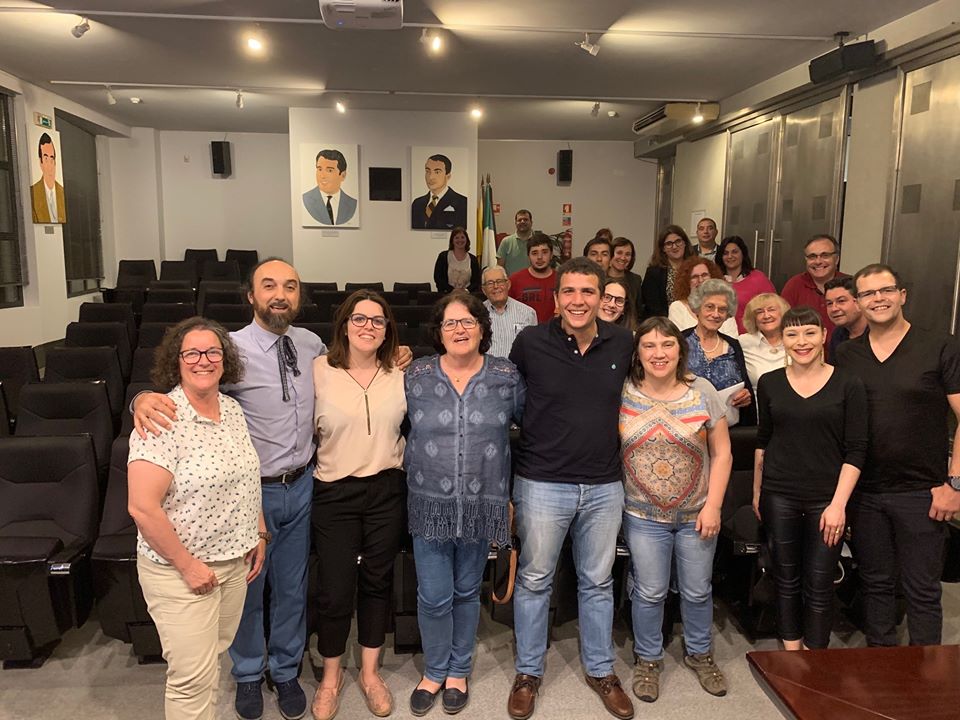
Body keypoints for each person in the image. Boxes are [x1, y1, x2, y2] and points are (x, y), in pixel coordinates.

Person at [133, 259, 412, 720]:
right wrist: (139, 399)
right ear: (251, 295)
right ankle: (247, 672)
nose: (279, 294)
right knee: (246, 587)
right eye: (269, 286)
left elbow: (360, 367)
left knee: (292, 586)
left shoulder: (312, 346)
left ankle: (284, 668)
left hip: (303, 484)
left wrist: (397, 355)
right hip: (248, 492)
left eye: (289, 286)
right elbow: (183, 389)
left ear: (299, 296)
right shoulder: (229, 349)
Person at [507, 257, 635, 720]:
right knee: (536, 579)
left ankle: (601, 670)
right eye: (569, 292)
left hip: (604, 484)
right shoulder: (530, 342)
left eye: (588, 292)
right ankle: (527, 673)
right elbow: (512, 399)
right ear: (556, 297)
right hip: (542, 481)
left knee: (598, 582)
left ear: (603, 298)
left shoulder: (623, 341)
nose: (578, 301)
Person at [128, 317, 267, 720]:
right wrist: (188, 567)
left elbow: (246, 476)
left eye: (212, 352)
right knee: (191, 680)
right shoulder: (161, 418)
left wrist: (258, 530)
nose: (203, 360)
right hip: (180, 572)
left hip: (231, 563)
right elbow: (142, 507)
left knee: (212, 660)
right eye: (192, 352)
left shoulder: (232, 409)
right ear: (177, 359)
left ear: (225, 361)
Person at [405, 293, 525, 717]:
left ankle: (459, 670)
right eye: (450, 323)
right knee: (434, 595)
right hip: (429, 505)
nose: (459, 329)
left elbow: (531, 426)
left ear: (482, 328)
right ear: (438, 332)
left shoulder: (506, 376)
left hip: (481, 503)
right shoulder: (414, 374)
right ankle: (434, 670)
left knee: (465, 591)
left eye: (468, 321)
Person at [835, 263, 960, 647]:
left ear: (902, 295)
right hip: (867, 493)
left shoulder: (941, 345)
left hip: (923, 491)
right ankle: (881, 670)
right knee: (876, 585)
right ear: (858, 302)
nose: (878, 299)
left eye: (885, 290)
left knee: (922, 590)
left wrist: (954, 483)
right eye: (868, 294)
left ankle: (926, 685)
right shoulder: (846, 354)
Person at [620, 316, 732, 704]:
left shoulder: (702, 390)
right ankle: (647, 659)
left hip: (697, 514)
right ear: (638, 352)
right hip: (641, 515)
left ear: (680, 350)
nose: (658, 353)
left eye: (667, 345)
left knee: (698, 591)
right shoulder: (623, 391)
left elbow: (723, 453)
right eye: (649, 346)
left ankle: (700, 654)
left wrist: (714, 505)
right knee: (649, 592)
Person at [309, 291, 406, 720]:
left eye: (378, 321)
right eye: (360, 318)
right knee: (334, 589)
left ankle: (369, 672)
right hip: (334, 492)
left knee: (377, 581)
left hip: (387, 488)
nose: (369, 327)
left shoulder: (401, 371)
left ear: (388, 330)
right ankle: (331, 678)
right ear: (344, 324)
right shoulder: (317, 371)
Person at [753, 306, 867, 651]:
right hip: (779, 494)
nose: (801, 342)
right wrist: (758, 492)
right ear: (783, 341)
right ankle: (791, 650)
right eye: (792, 334)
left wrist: (838, 505)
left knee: (820, 582)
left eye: (809, 333)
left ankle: (817, 658)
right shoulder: (769, 382)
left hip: (826, 498)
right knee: (785, 578)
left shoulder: (849, 383)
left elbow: (857, 450)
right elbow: (763, 440)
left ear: (823, 336)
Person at [682, 279, 755, 426]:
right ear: (697, 308)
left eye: (722, 309)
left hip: (730, 430)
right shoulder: (679, 341)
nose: (715, 314)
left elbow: (746, 390)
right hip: (686, 429)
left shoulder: (733, 346)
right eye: (709, 307)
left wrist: (746, 397)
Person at [780, 234, 847, 345]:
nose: (818, 261)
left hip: (844, 352)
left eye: (825, 255)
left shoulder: (849, 284)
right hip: (804, 351)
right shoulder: (794, 285)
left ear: (837, 259)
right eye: (812, 256)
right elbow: (784, 324)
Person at [715, 236, 776, 334]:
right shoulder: (715, 281)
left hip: (751, 338)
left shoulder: (758, 278)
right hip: (720, 336)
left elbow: (774, 308)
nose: (730, 256)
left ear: (743, 253)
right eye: (725, 253)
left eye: (735, 252)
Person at [667, 256, 738, 336]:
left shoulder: (724, 304)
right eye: (694, 277)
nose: (700, 280)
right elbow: (678, 340)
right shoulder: (677, 307)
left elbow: (733, 339)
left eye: (704, 275)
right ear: (686, 281)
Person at [480, 265, 537, 359]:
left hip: (517, 371)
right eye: (490, 283)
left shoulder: (528, 313)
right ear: (484, 290)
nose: (496, 286)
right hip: (486, 371)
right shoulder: (476, 314)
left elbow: (533, 349)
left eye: (500, 281)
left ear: (508, 285)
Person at [641, 225, 695, 319]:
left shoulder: (696, 268)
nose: (674, 247)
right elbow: (653, 307)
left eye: (678, 241)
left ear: (685, 243)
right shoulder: (654, 272)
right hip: (665, 324)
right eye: (669, 243)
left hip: (694, 320)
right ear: (663, 249)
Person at [738, 293, 791, 388]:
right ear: (753, 318)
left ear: (783, 313)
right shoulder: (742, 342)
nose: (766, 316)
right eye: (759, 312)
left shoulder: (795, 340)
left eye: (771, 310)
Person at [411, 154, 468, 230]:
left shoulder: (462, 202)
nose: (430, 177)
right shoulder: (417, 203)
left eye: (437, 172)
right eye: (428, 171)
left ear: (448, 176)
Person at [509, 233, 556, 323]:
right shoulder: (514, 280)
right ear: (528, 256)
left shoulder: (562, 280)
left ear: (551, 254)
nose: (539, 257)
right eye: (534, 253)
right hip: (525, 334)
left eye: (544, 252)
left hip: (555, 334)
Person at [303, 149, 357, 226]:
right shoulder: (306, 199)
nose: (322, 176)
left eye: (330, 171)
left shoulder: (352, 203)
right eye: (320, 169)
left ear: (343, 175)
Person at [825, 276, 868, 359]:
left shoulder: (878, 333)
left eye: (841, 301)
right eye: (829, 303)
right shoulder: (838, 334)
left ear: (859, 302)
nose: (834, 309)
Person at [31, 132, 66, 223]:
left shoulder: (62, 192)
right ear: (40, 162)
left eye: (52, 158)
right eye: (46, 159)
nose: (50, 165)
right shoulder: (33, 193)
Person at [433, 226, 481, 293]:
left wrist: (466, 291)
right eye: (456, 238)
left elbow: (477, 281)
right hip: (447, 295)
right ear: (452, 240)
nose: (460, 240)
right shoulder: (443, 257)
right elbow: (438, 278)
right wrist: (452, 290)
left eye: (462, 237)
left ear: (467, 240)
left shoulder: (473, 259)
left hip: (468, 296)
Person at [608, 237, 644, 321]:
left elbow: (639, 311)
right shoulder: (600, 278)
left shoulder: (635, 280)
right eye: (619, 253)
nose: (623, 258)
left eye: (627, 254)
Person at [497, 209, 535, 276]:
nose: (522, 222)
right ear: (515, 223)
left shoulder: (538, 241)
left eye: (525, 219)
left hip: (534, 284)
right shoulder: (506, 242)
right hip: (511, 284)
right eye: (519, 220)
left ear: (531, 222)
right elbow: (500, 268)